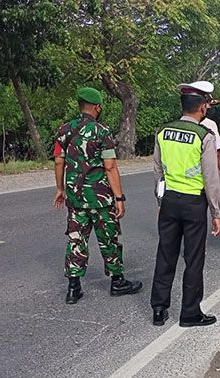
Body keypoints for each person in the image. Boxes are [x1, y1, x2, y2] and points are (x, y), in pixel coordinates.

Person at [53, 87, 142, 304]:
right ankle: (117, 282)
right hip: (101, 198)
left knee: (76, 240)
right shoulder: (102, 132)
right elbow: (110, 167)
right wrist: (119, 198)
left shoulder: (64, 131)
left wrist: (60, 189)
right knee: (108, 239)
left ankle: (73, 288)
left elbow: (58, 161)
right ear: (97, 107)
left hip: (75, 198)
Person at [150, 86, 220, 327]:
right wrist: (216, 212)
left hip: (169, 201)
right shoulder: (204, 135)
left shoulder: (162, 131)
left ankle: (159, 308)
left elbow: (158, 170)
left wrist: (161, 200)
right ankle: (190, 313)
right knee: (193, 259)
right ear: (202, 107)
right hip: (193, 203)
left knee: (165, 254)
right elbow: (211, 178)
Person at [177, 81, 220, 188]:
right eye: (209, 105)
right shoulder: (210, 126)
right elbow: (217, 153)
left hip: (175, 185)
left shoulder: (174, 127)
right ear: (203, 106)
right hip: (197, 186)